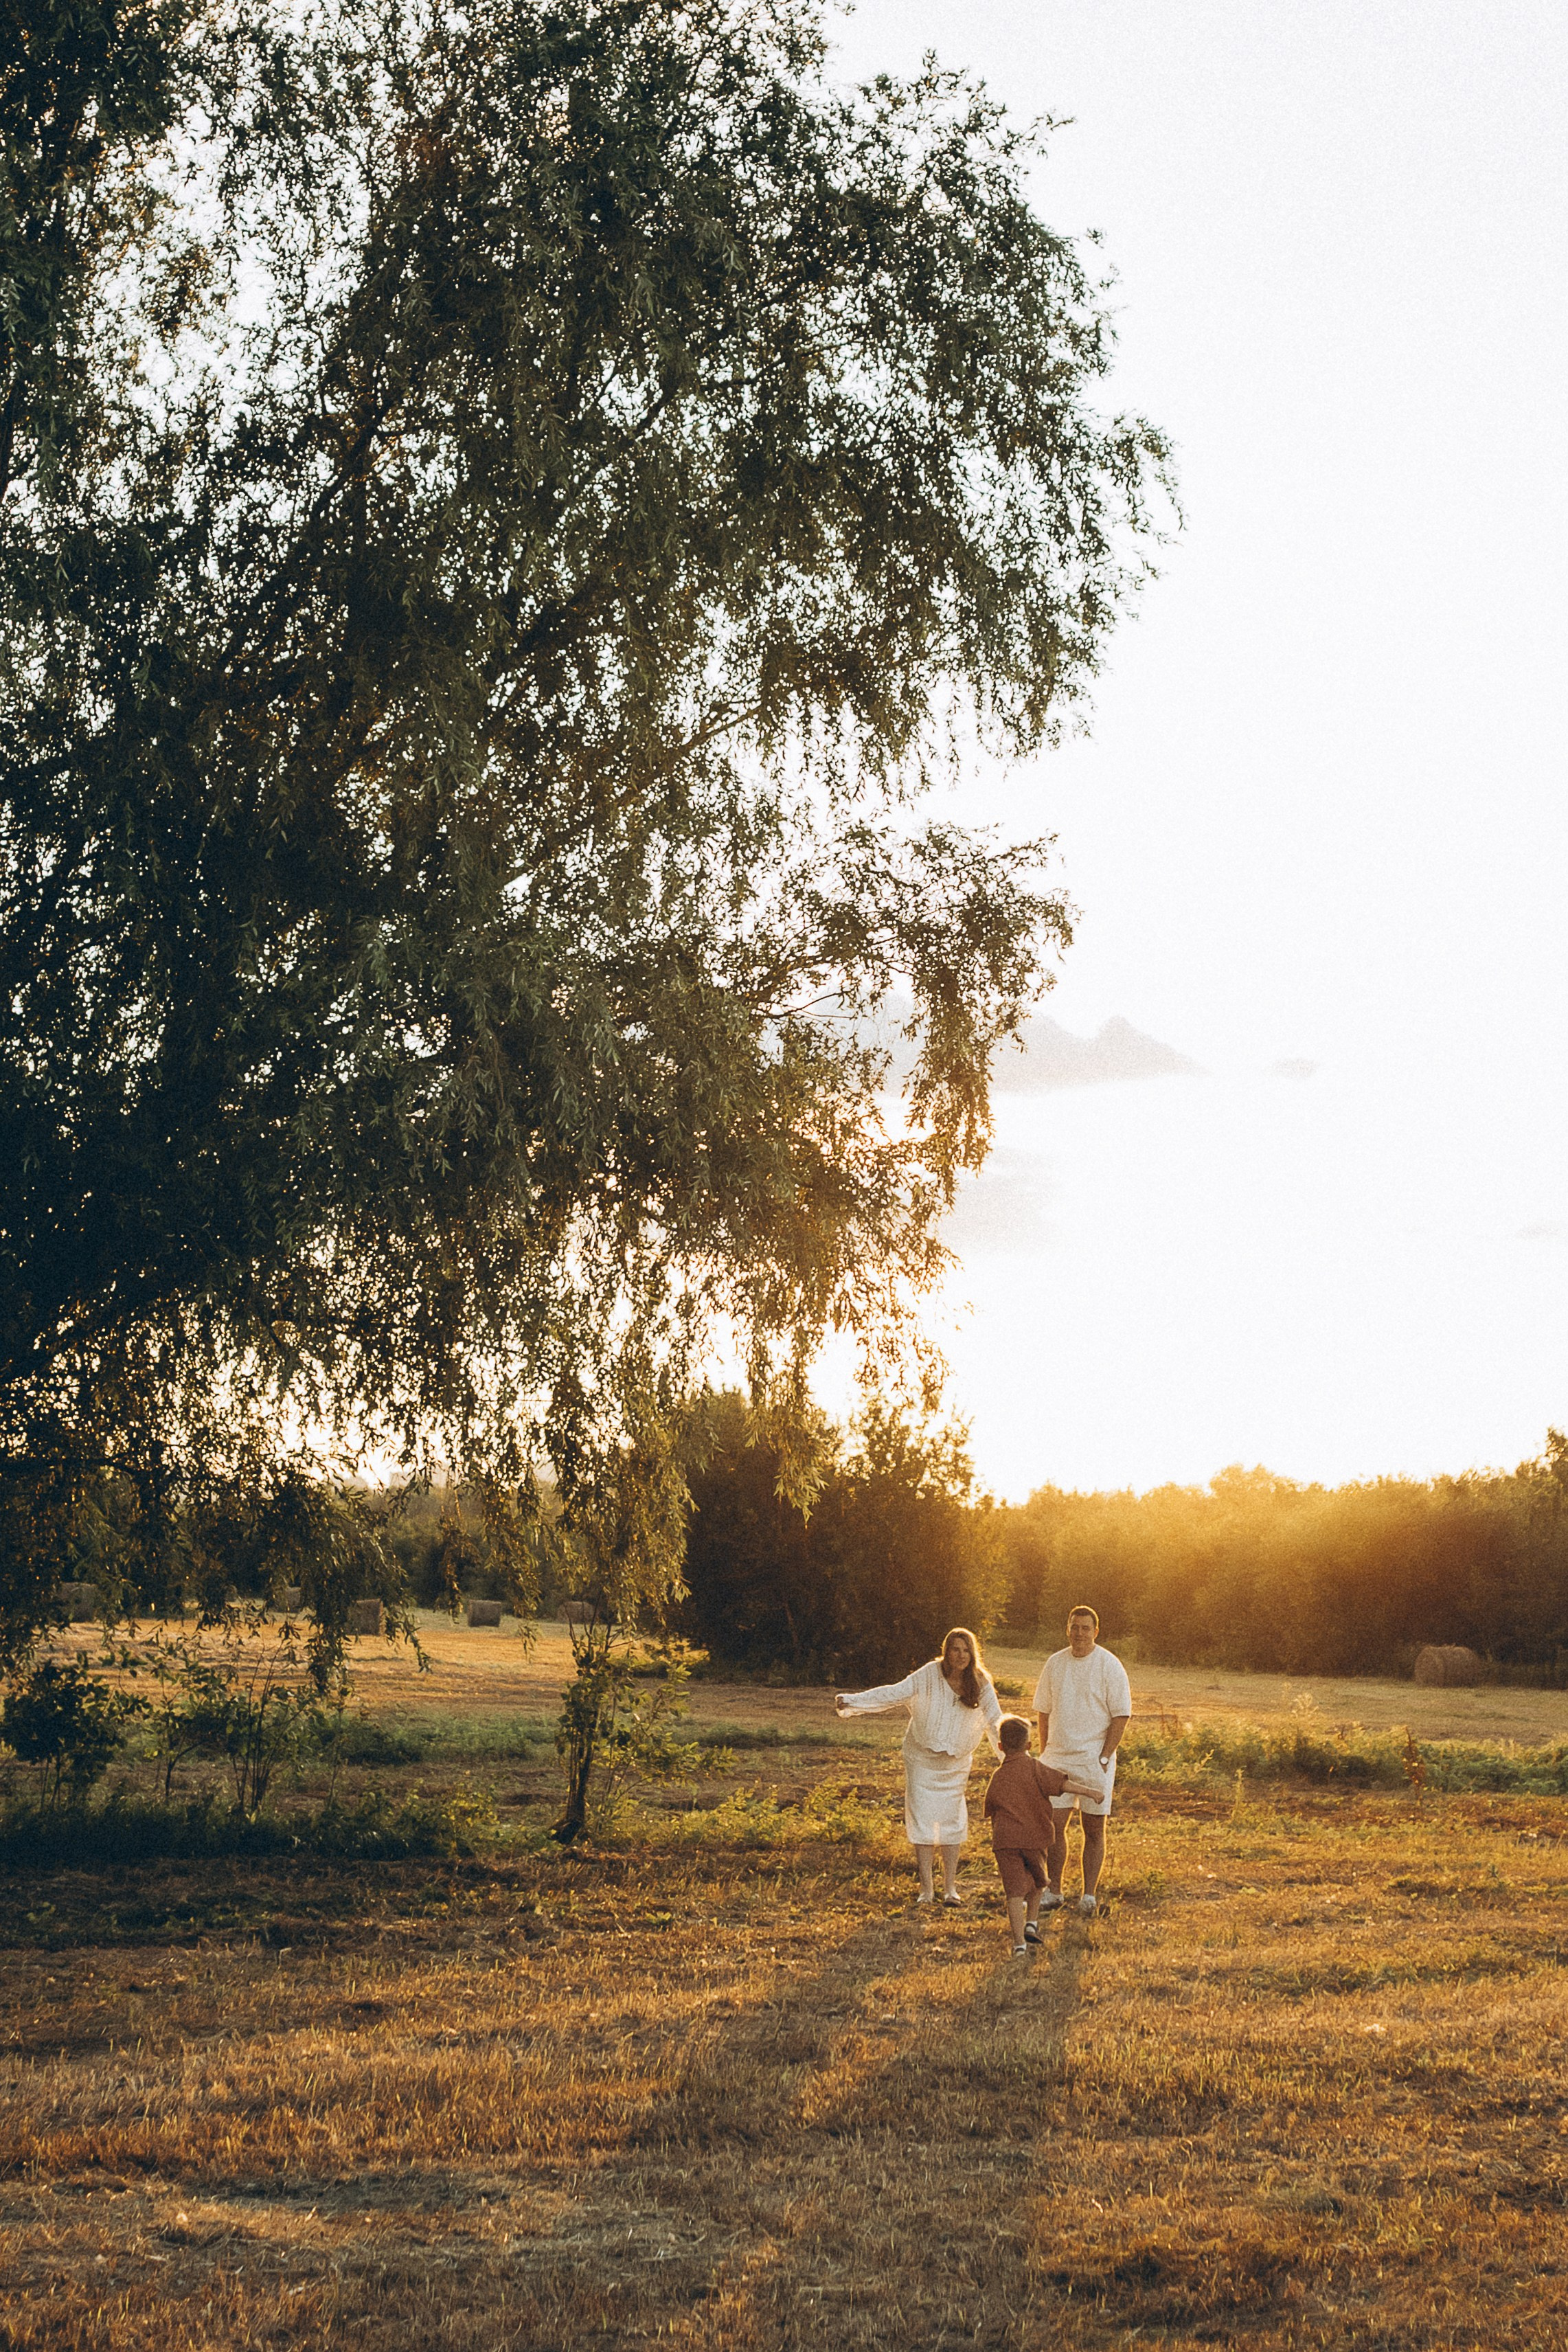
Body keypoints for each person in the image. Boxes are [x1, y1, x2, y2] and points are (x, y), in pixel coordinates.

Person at [835, 1627, 1003, 1904]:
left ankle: (950, 1888)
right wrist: (854, 1701)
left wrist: (1012, 1757)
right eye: (956, 1649)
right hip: (922, 1760)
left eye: (966, 1650)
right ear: (947, 1651)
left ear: (973, 1654)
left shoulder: (980, 1681)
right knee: (923, 1820)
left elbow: (995, 1721)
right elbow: (895, 1693)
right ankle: (927, 1889)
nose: (961, 1655)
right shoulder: (929, 1674)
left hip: (955, 1763)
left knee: (951, 1820)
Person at [1033, 1605, 1132, 1918]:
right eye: (1074, 1627)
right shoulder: (1055, 1663)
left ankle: (1089, 1895)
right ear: (1067, 1629)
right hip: (1058, 1757)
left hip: (1094, 1760)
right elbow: (1044, 1711)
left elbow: (1121, 1715)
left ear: (1096, 1632)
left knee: (1094, 1828)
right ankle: (1054, 1891)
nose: (1079, 1633)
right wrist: (1046, 1752)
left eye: (1085, 1628)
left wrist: (1104, 1756)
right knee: (1053, 1826)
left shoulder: (1109, 1665)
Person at [984, 1716, 1078, 1954]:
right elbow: (1062, 1785)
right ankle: (1032, 1923)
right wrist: (1091, 1792)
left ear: (1000, 1746)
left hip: (1006, 1842)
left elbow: (990, 1807)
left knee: (1014, 1893)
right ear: (1029, 1745)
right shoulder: (1036, 1768)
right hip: (1035, 1838)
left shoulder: (998, 1776)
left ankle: (1019, 1944)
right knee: (1038, 1880)